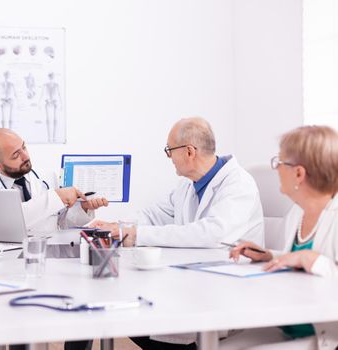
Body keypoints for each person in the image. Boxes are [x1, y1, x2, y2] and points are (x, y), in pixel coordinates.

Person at [92, 117, 264, 349]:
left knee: (142, 321)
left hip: (226, 290)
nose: (169, 157)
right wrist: (117, 227)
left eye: (169, 150)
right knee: (132, 317)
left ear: (189, 152)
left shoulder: (238, 184)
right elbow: (155, 214)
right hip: (194, 282)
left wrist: (137, 235)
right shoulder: (188, 184)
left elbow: (212, 234)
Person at [222, 125, 338, 350]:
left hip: (325, 337)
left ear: (299, 173)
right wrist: (268, 256)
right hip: (285, 326)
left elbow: (314, 262)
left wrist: (309, 259)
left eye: (279, 162)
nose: (275, 169)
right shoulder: (297, 212)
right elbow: (298, 261)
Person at [0, 128, 108, 232]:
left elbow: (63, 224)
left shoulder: (48, 177)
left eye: (23, 147)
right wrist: (57, 197)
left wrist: (83, 209)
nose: (25, 156)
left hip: (48, 254)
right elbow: (11, 221)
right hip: (10, 259)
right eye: (16, 155)